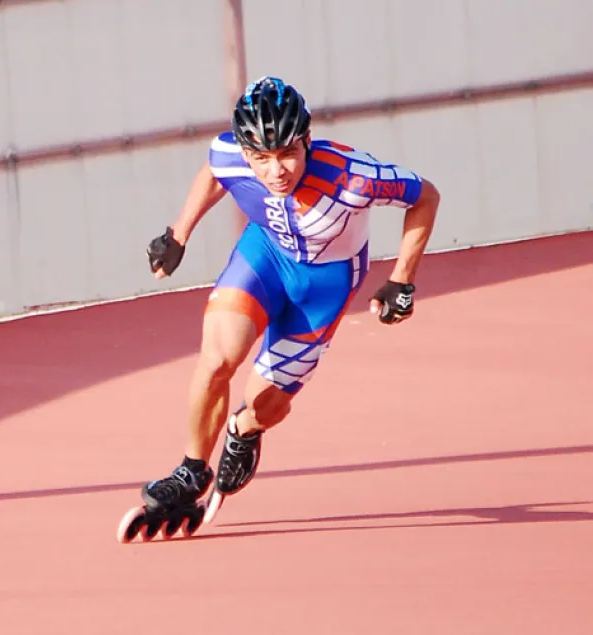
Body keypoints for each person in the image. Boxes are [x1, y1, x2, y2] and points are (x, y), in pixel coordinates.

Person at [141, 75, 441, 520]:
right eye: (261, 158)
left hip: (324, 283)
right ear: (245, 151)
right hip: (263, 257)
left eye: (287, 154)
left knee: (266, 403)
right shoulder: (229, 153)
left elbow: (425, 196)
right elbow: (213, 172)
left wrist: (402, 279)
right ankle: (191, 472)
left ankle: (244, 430)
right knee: (218, 359)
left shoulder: (353, 177)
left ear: (307, 141)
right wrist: (177, 233)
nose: (275, 171)